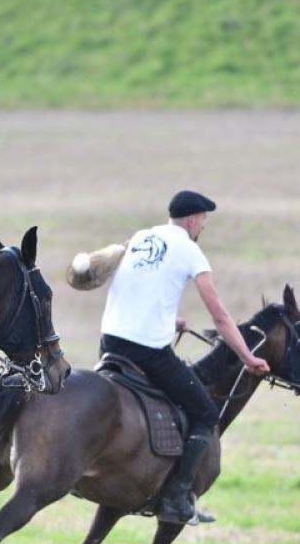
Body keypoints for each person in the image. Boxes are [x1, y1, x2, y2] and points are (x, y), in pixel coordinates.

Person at [99, 190, 270, 525]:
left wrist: (167, 321)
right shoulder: (190, 251)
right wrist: (248, 357)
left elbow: (137, 286)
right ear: (193, 219)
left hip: (109, 342)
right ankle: (178, 497)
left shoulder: (141, 237)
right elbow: (220, 316)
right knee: (205, 413)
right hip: (147, 350)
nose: (203, 227)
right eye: (204, 220)